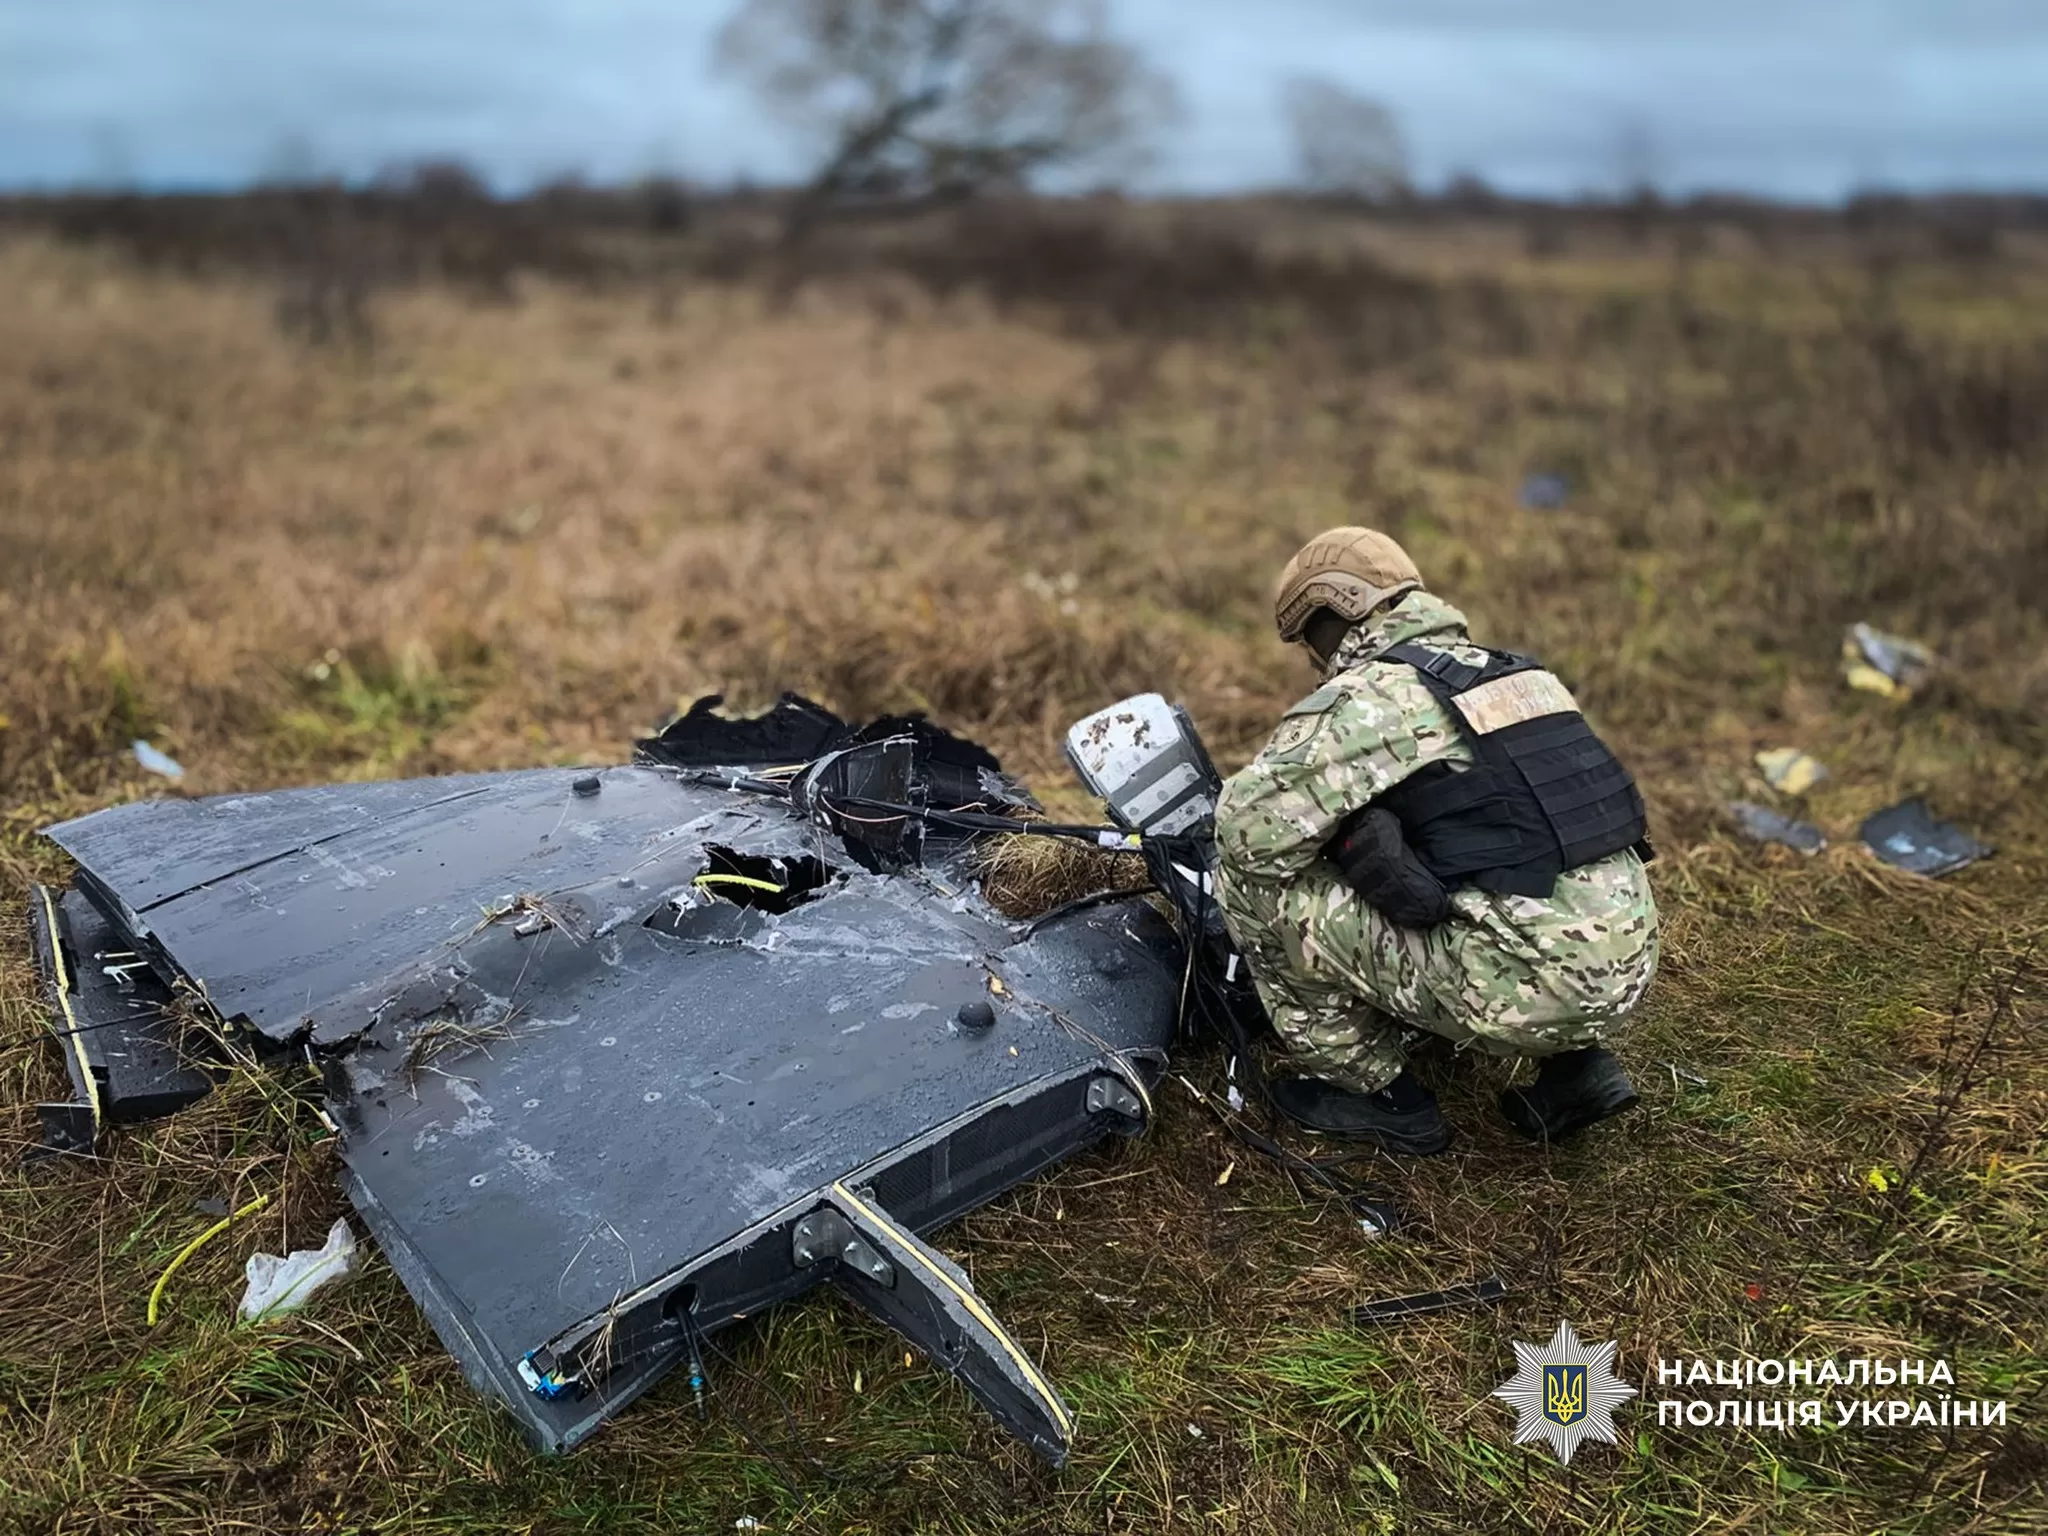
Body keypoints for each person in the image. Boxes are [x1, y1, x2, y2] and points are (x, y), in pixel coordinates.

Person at [1212, 527, 1660, 1155]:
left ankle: (1380, 1096)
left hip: (1529, 988)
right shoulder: (1523, 675)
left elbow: (1246, 833)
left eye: (1309, 642)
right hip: (1630, 967)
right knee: (1497, 846)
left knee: (1249, 880)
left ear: (1329, 617)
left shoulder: (1371, 696)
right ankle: (1574, 1068)